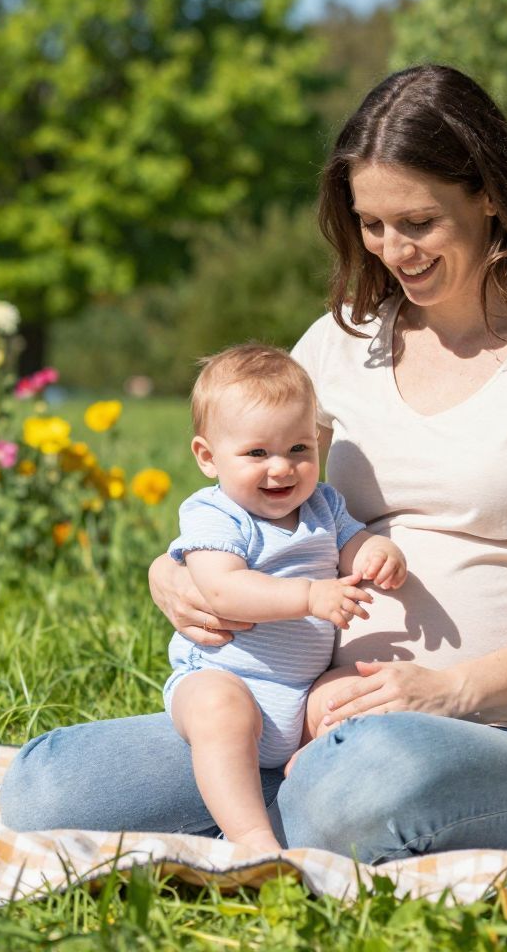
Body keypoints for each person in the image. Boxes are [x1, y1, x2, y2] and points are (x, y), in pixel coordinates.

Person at [1, 64, 507, 862]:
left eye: (419, 221)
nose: (394, 251)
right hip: (301, 719)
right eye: (372, 224)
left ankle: (273, 813)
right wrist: (171, 572)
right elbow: (246, 483)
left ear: (491, 195)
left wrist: (452, 689)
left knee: (366, 777)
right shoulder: (339, 342)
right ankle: (281, 810)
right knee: (47, 785)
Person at [161, 344, 407, 851]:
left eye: (299, 449)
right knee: (219, 712)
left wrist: (375, 551)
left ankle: (307, 771)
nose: (282, 468)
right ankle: (251, 837)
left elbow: (350, 543)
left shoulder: (324, 505)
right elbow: (223, 590)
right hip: (228, 679)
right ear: (207, 457)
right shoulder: (214, 514)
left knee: (358, 693)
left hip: (304, 692)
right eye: (257, 453)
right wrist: (309, 596)